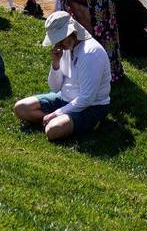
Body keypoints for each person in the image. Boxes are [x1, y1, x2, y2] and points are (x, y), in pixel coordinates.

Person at [13, 11, 112, 142]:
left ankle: (87, 122)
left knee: (53, 131)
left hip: (91, 107)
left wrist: (56, 113)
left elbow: (87, 98)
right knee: (20, 108)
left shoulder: (90, 53)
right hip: (64, 98)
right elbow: (55, 88)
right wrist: (56, 64)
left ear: (72, 32)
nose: (58, 45)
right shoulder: (66, 48)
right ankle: (58, 122)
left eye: (60, 39)